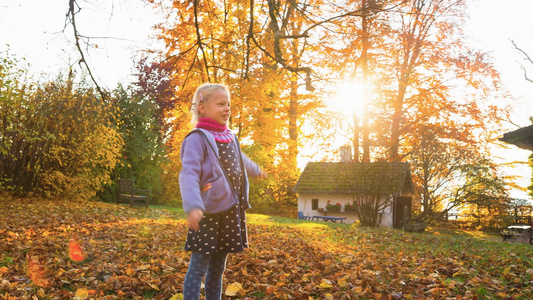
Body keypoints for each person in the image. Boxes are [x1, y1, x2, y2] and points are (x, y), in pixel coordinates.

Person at [180, 83, 267, 300]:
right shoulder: (197, 138)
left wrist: (255, 169)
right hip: (208, 213)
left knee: (218, 269)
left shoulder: (230, 137)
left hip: (230, 211)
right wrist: (193, 206)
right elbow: (189, 173)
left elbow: (241, 159)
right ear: (202, 107)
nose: (227, 109)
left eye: (228, 104)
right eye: (221, 104)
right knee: (198, 267)